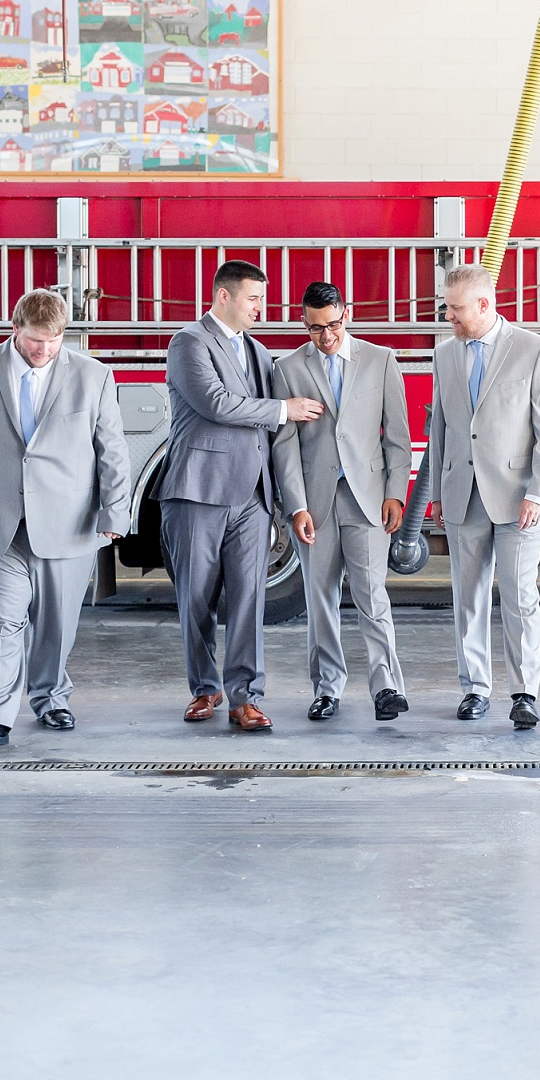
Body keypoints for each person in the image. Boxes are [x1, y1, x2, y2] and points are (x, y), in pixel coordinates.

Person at [0, 288, 131, 748]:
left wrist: (116, 510)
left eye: (54, 340)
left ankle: (51, 697)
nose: (45, 350)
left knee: (57, 624)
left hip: (69, 520)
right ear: (14, 329)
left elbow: (112, 450)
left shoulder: (93, 375)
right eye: (36, 340)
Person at [160, 259, 325, 733]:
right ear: (224, 296)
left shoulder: (256, 350)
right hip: (198, 491)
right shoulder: (189, 342)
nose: (261, 307)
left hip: (251, 498)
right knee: (196, 597)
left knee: (249, 599)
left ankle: (245, 697)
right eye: (253, 298)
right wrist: (283, 409)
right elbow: (215, 403)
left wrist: (284, 498)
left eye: (262, 298)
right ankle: (203, 688)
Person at [423, 263, 540, 728]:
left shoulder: (534, 350)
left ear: (484, 305)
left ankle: (524, 692)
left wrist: (539, 495)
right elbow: (440, 427)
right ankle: (475, 689)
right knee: (468, 597)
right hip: (463, 496)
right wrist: (440, 495)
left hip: (518, 498)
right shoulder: (445, 355)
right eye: (448, 308)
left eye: (457, 309)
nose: (450, 317)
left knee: (521, 597)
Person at [271, 282, 413, 722]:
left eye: (333, 325)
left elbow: (399, 436)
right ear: (304, 323)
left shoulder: (380, 359)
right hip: (315, 504)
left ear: (346, 314)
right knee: (320, 600)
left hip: (368, 499)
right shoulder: (287, 368)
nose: (327, 336)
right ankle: (327, 688)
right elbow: (284, 446)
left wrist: (395, 493)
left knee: (373, 595)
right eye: (316, 329)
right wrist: (296, 507)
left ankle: (386, 686)